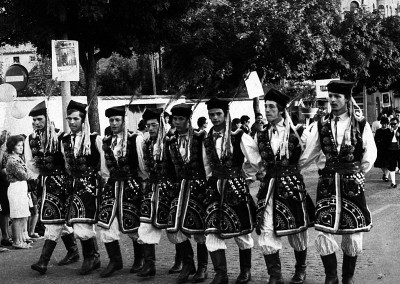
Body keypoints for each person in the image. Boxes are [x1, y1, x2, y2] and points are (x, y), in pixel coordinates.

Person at [299, 80, 377, 284]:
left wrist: (360, 172)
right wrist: (294, 168)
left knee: (352, 233)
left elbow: (370, 153)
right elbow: (310, 152)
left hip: (352, 184)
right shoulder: (321, 124)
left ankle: (347, 278)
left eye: (336, 97)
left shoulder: (360, 123)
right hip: (327, 185)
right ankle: (331, 277)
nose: (332, 100)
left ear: (347, 99)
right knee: (324, 231)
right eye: (330, 96)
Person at [254, 89, 314, 284]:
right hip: (269, 189)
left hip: (291, 187)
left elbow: (306, 157)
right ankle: (275, 275)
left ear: (281, 110)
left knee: (297, 229)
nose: (267, 110)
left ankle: (300, 269)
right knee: (266, 228)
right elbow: (256, 158)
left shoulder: (299, 131)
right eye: (265, 107)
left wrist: (291, 172)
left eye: (271, 107)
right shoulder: (261, 134)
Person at [203, 97, 261, 284]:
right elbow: (206, 166)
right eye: (211, 114)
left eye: (218, 114)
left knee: (242, 231)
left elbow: (255, 161)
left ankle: (245, 271)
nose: (214, 118)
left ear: (226, 114)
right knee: (212, 231)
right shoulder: (207, 139)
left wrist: (246, 176)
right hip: (214, 189)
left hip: (235, 188)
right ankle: (221, 274)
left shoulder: (239, 136)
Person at [28, 101, 80, 274]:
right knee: (56, 221)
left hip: (61, 183)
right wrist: (39, 176)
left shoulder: (60, 136)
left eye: (39, 119)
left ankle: (43, 262)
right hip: (44, 183)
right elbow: (31, 162)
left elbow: (68, 160)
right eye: (34, 120)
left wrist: (68, 181)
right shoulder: (31, 138)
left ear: (47, 118)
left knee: (54, 222)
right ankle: (73, 250)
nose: (36, 123)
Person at [97, 105, 146, 277]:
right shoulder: (106, 141)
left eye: (117, 120)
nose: (114, 123)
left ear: (124, 121)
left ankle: (140, 259)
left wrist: (142, 184)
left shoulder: (135, 139)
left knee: (134, 223)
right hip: (112, 185)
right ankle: (115, 260)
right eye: (111, 120)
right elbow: (105, 168)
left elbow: (142, 166)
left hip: (132, 186)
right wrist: (106, 181)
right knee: (106, 222)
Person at [61, 100, 107, 275]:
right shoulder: (64, 140)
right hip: (74, 185)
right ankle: (92, 256)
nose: (72, 122)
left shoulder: (95, 138)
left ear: (83, 120)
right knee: (77, 222)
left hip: (90, 186)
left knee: (85, 221)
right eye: (69, 119)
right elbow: (66, 164)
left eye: (75, 119)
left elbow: (103, 165)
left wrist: (101, 184)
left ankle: (92, 256)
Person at [166, 104, 209, 283]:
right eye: (174, 119)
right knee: (173, 228)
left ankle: (202, 267)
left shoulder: (200, 137)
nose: (177, 122)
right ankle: (188, 263)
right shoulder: (170, 140)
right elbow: (169, 165)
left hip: (199, 187)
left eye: (181, 119)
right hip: (179, 187)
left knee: (200, 229)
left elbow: (207, 163)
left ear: (188, 119)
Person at [136, 108, 176, 277]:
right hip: (152, 189)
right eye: (148, 125)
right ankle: (149, 263)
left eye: (154, 125)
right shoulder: (146, 144)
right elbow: (145, 167)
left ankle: (182, 261)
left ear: (161, 124)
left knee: (174, 228)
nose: (151, 128)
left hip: (171, 190)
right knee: (145, 224)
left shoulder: (171, 142)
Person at [5, 135, 32, 249]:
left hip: (21, 188)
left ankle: (21, 240)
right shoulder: (12, 161)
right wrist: (30, 174)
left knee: (22, 216)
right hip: (16, 188)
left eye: (22, 145)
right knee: (17, 217)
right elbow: (24, 175)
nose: (21, 148)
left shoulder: (18, 158)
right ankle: (17, 241)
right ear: (12, 147)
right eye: (18, 145)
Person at [0, 131, 12, 248]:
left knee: (5, 211)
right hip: (2, 184)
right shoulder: (2, 151)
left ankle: (6, 236)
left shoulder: (6, 151)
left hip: (5, 185)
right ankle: (5, 236)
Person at [374, 117, 391, 183]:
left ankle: (386, 176)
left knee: (388, 163)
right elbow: (375, 139)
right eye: (383, 124)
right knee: (381, 164)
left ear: (387, 124)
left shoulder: (389, 131)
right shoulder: (378, 131)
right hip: (380, 149)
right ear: (381, 124)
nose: (384, 125)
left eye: (386, 124)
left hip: (388, 149)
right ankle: (385, 174)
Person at [386, 117, 400, 188]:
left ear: (398, 124)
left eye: (394, 124)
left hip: (399, 150)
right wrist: (391, 133)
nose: (393, 125)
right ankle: (393, 182)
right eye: (391, 124)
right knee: (392, 166)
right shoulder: (388, 131)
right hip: (391, 150)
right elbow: (385, 142)